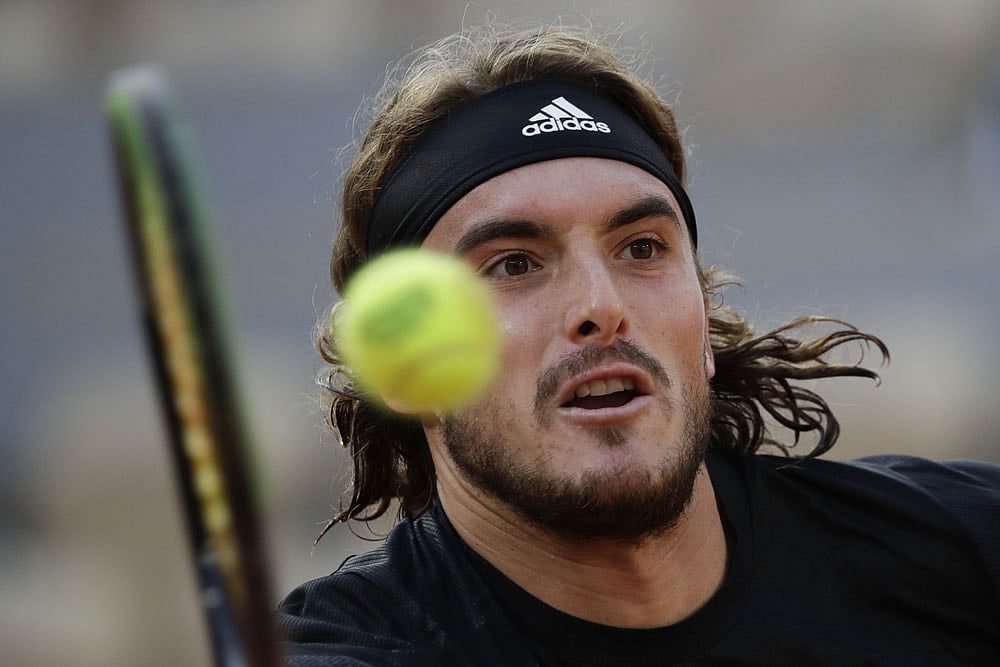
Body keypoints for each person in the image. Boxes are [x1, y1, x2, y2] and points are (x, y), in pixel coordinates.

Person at [277, 24, 1000, 666]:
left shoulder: (958, 552)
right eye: (514, 263)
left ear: (703, 323)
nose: (602, 306)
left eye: (642, 247)